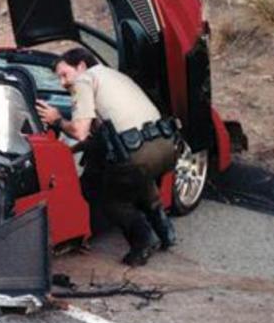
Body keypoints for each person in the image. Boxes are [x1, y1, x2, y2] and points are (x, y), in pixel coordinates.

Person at [35, 47, 178, 266]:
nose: (63, 83)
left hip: (138, 153)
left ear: (81, 66)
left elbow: (79, 132)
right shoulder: (113, 75)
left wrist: (56, 120)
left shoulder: (84, 80)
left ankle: (142, 243)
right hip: (166, 146)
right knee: (138, 177)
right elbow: (106, 130)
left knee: (111, 198)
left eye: (65, 74)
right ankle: (166, 233)